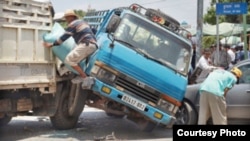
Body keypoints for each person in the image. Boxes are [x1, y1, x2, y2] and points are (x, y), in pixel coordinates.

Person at [43, 9, 97, 83]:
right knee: (77, 61)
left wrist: (52, 44)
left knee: (69, 60)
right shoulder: (84, 22)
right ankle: (82, 75)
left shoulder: (73, 24)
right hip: (93, 44)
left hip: (86, 44)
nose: (66, 20)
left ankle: (84, 78)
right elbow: (94, 31)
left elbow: (64, 37)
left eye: (66, 18)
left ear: (71, 17)